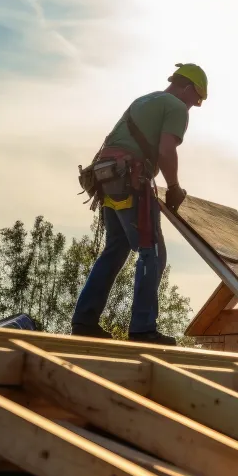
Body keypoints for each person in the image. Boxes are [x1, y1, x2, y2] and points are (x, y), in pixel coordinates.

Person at [71, 63, 207, 343]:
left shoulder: (145, 100)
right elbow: (166, 150)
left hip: (107, 177)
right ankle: (143, 329)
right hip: (131, 179)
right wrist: (173, 187)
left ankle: (84, 322)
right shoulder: (176, 107)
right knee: (152, 252)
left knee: (116, 249)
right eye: (197, 99)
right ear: (188, 88)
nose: (195, 106)